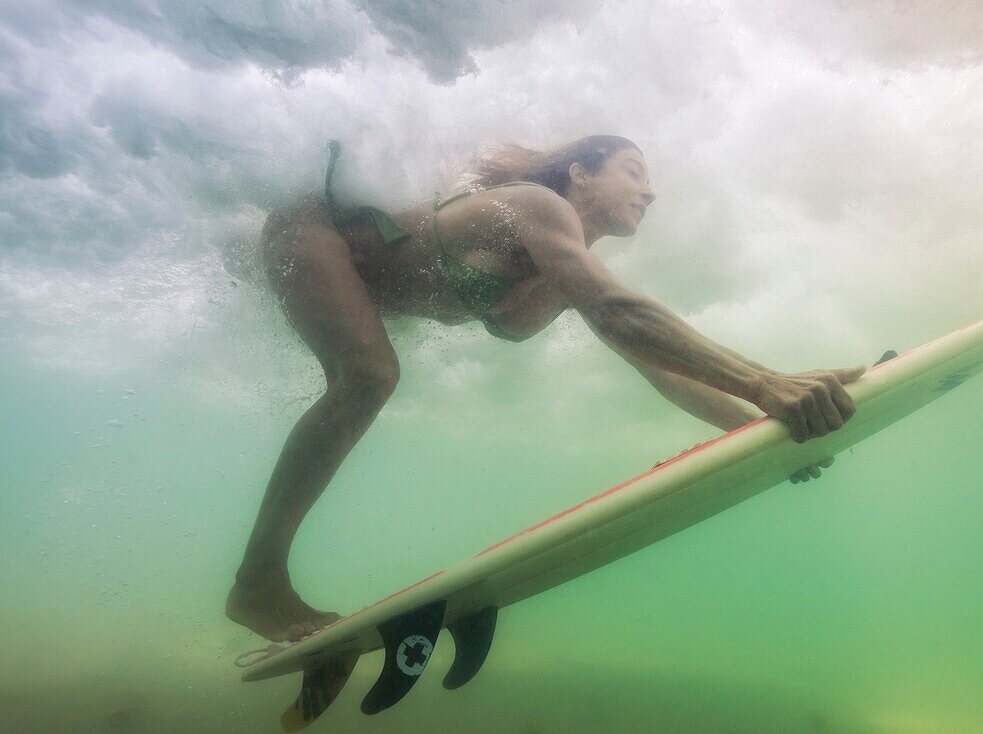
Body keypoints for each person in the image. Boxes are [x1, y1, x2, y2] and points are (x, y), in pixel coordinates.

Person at [226, 135, 865, 642]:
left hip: (360, 276)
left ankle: (260, 579)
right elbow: (622, 310)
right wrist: (767, 383)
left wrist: (756, 433)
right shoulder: (536, 207)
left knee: (371, 375)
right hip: (315, 233)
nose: (650, 191)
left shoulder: (562, 272)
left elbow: (659, 366)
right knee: (369, 376)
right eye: (633, 171)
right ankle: (258, 582)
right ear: (580, 175)